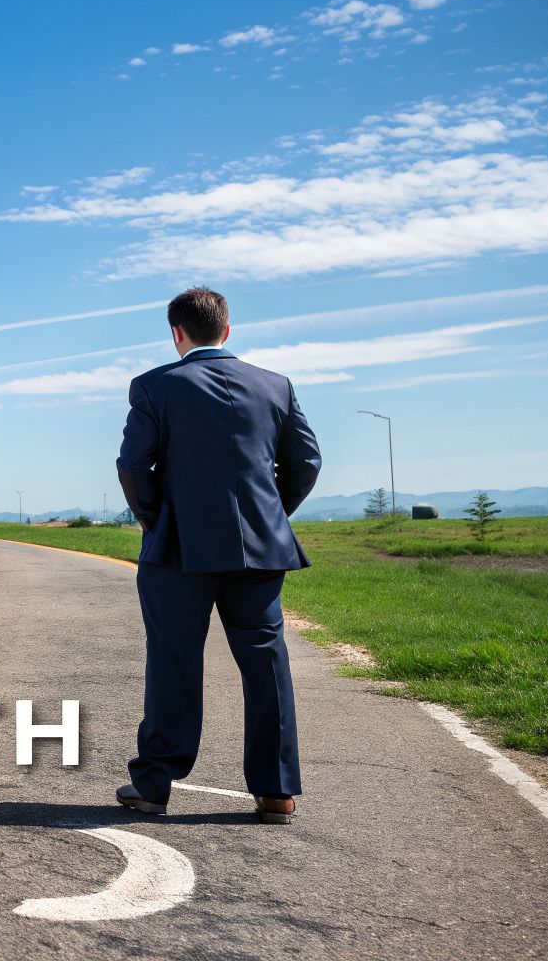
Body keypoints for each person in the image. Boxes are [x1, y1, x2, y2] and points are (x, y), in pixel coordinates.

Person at [114, 286, 321, 824]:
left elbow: (134, 466)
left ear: (176, 334)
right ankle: (276, 791)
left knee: (173, 662)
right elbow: (306, 463)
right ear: (226, 330)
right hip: (259, 552)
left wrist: (158, 522)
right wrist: (269, 515)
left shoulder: (156, 386)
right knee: (267, 664)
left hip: (179, 553)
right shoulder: (275, 386)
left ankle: (155, 787)